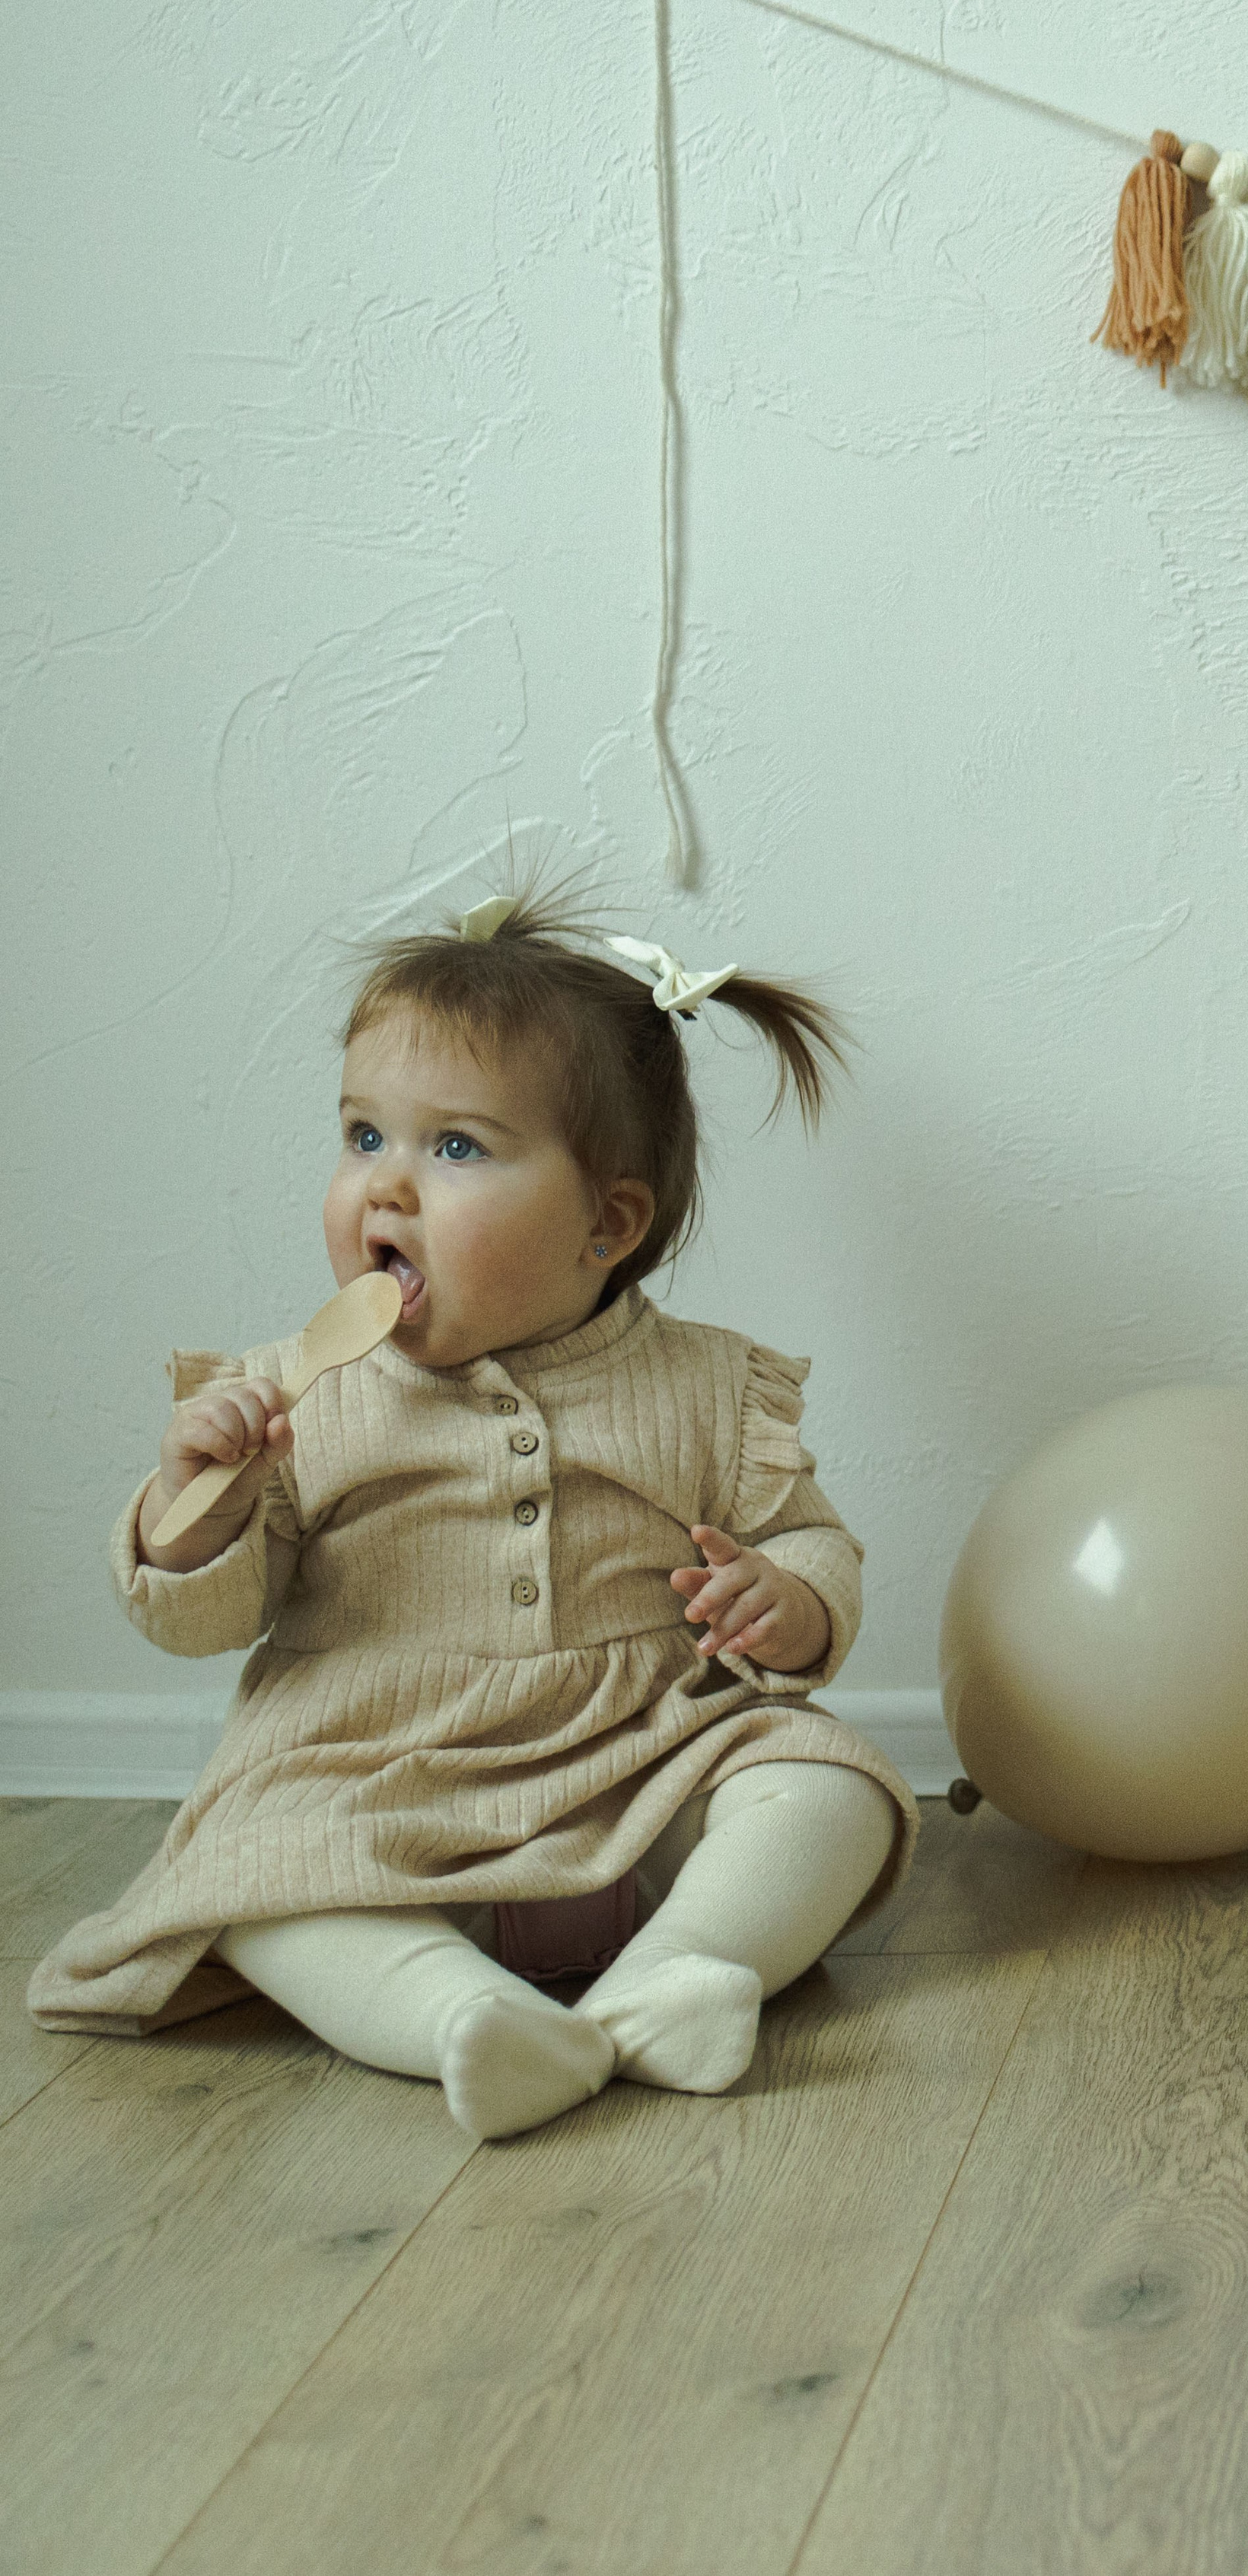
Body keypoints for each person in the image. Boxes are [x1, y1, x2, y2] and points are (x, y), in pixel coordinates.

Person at [28, 888, 915, 2139]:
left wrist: (794, 1598)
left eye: (454, 1148)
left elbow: (807, 1533)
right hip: (377, 1785)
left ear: (607, 1222)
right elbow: (202, 1618)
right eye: (362, 1134)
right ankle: (463, 2016)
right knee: (256, 1870)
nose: (384, 1187)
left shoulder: (710, 1387)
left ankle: (679, 1971)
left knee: (832, 1787)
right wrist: (193, 1499)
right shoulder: (292, 1396)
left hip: (644, 1762)